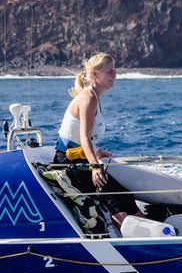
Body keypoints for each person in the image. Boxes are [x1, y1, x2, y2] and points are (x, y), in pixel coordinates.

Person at [53, 52, 140, 227]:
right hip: (69, 164)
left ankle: (157, 232)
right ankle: (137, 241)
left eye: (115, 71)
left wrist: (96, 152)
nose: (114, 75)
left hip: (80, 157)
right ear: (94, 74)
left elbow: (81, 138)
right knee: (113, 199)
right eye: (110, 71)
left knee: (126, 197)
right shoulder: (88, 98)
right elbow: (84, 137)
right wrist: (94, 165)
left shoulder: (94, 97)